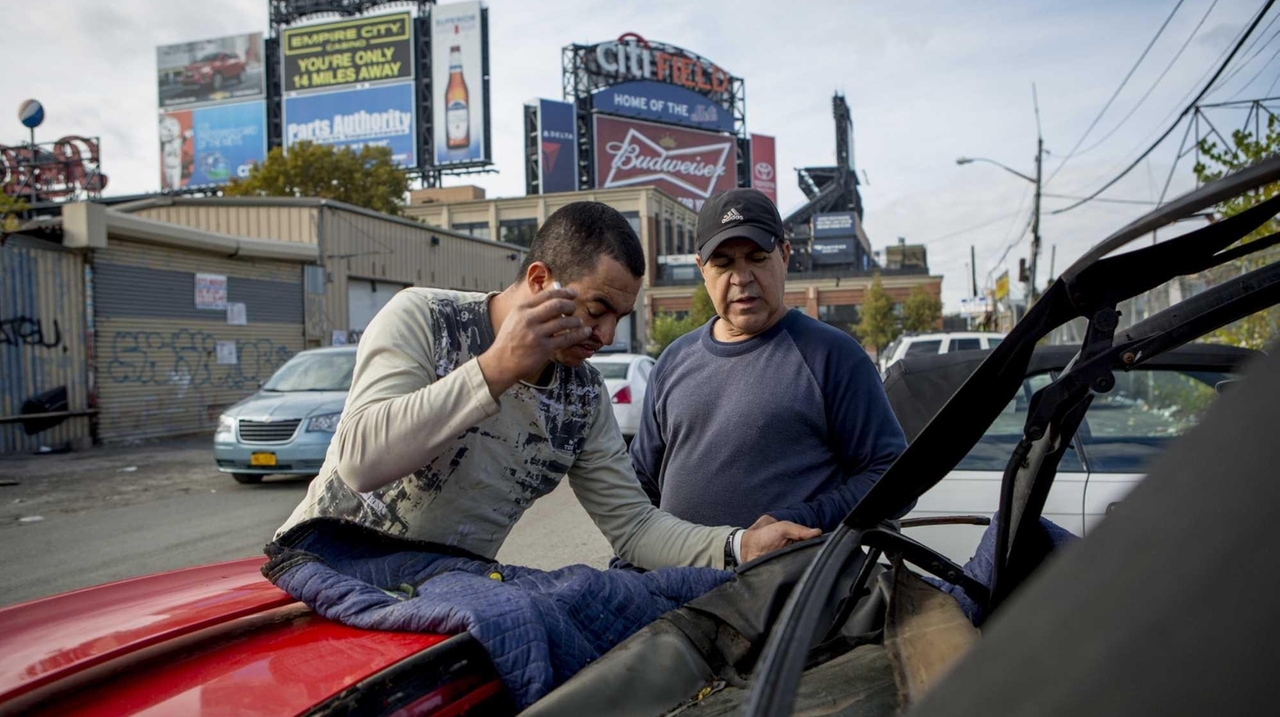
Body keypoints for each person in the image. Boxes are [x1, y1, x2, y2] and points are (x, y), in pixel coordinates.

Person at [276, 201, 819, 570]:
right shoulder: (423, 317)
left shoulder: (583, 399)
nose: (606, 334)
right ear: (540, 282)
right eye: (596, 309)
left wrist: (739, 544)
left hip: (434, 607)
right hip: (317, 578)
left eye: (620, 318)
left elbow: (633, 527)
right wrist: (497, 368)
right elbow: (360, 462)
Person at [630, 189, 908, 561]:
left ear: (785, 256)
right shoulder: (672, 362)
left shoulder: (833, 356)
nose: (741, 278)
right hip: (674, 587)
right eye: (723, 263)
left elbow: (893, 479)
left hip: (784, 599)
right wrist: (631, 561)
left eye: (757, 258)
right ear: (701, 269)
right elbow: (640, 486)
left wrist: (802, 519)